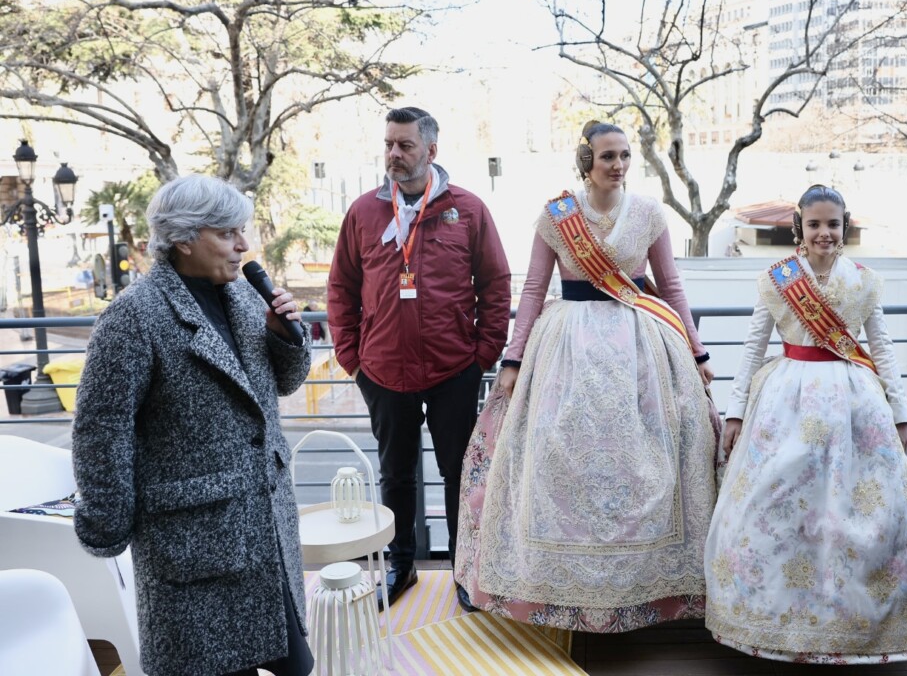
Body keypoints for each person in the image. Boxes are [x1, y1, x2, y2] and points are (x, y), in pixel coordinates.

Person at [455, 121, 719, 632]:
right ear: (586, 162)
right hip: (567, 349)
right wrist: (512, 361)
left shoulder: (647, 213)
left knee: (653, 460)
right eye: (607, 157)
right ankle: (556, 590)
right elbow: (532, 290)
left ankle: (648, 591)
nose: (618, 165)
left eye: (624, 156)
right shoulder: (557, 216)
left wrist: (697, 350)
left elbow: (672, 286)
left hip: (643, 348)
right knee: (556, 457)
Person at [72, 175, 313, 676]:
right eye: (227, 233)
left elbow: (283, 385)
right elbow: (101, 428)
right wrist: (107, 523)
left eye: (241, 230)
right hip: (194, 548)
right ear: (183, 238)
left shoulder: (245, 297)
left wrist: (285, 337)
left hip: (265, 533)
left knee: (295, 666)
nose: (243, 245)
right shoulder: (133, 317)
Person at [705, 184, 907, 663]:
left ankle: (852, 625)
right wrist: (734, 412)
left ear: (845, 226)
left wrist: (901, 414)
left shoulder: (864, 281)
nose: (824, 232)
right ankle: (774, 622)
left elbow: (882, 350)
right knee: (773, 509)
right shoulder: (777, 280)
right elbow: (753, 349)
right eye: (815, 224)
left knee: (857, 514)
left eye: (833, 224)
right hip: (784, 402)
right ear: (800, 226)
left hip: (855, 405)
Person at [327, 106, 511, 612]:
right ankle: (400, 565)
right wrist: (351, 358)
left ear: (431, 150)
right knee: (396, 474)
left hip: (454, 370)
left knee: (459, 472)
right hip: (383, 371)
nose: (394, 154)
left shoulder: (467, 209)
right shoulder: (364, 212)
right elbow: (341, 287)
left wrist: (483, 355)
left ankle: (464, 571)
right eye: (389, 143)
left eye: (405, 145)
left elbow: (496, 285)